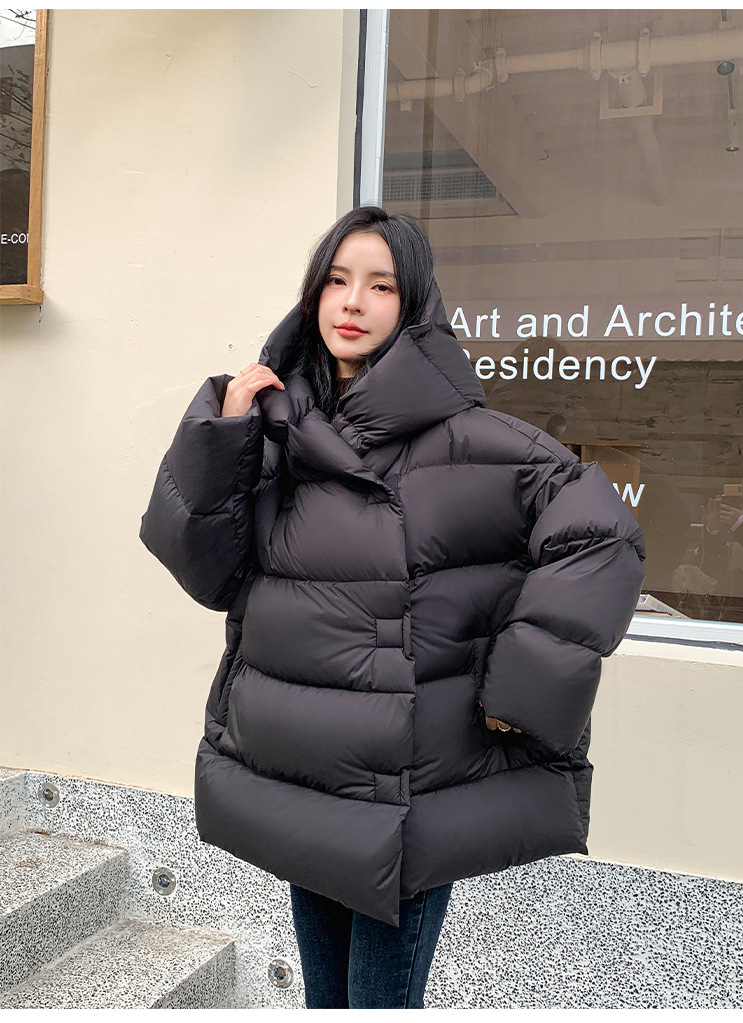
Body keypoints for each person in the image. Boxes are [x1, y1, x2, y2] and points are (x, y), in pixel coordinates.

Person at [140, 206, 646, 1009]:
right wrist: (223, 434)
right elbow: (206, 572)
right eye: (337, 280)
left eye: (381, 285)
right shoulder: (275, 430)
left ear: (413, 304)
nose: (353, 302)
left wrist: (526, 684)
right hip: (307, 773)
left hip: (405, 787)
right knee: (326, 1000)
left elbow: (603, 534)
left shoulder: (474, 442)